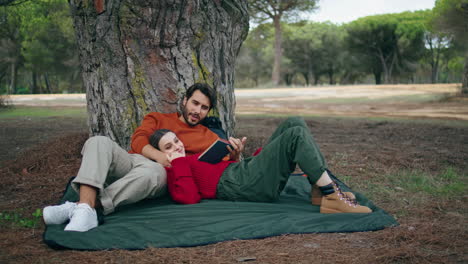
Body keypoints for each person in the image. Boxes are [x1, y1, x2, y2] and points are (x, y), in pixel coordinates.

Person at [43, 83, 245, 232]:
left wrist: (234, 155)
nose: (197, 111)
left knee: (153, 172)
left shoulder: (208, 136)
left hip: (161, 176)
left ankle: (85, 207)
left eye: (204, 108)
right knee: (98, 141)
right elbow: (138, 140)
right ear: (185, 100)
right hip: (134, 161)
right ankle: (84, 208)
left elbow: (215, 166)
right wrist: (158, 155)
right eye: (195, 103)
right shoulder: (158, 118)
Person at [150, 118, 372, 214]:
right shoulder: (173, 171)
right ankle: (330, 194)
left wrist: (238, 157)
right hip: (243, 184)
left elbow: (218, 171)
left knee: (293, 122)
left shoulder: (189, 158)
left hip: (244, 171)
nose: (177, 147)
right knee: (295, 135)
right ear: (160, 154)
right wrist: (176, 161)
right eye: (169, 147)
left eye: (176, 141)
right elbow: (189, 197)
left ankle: (318, 190)